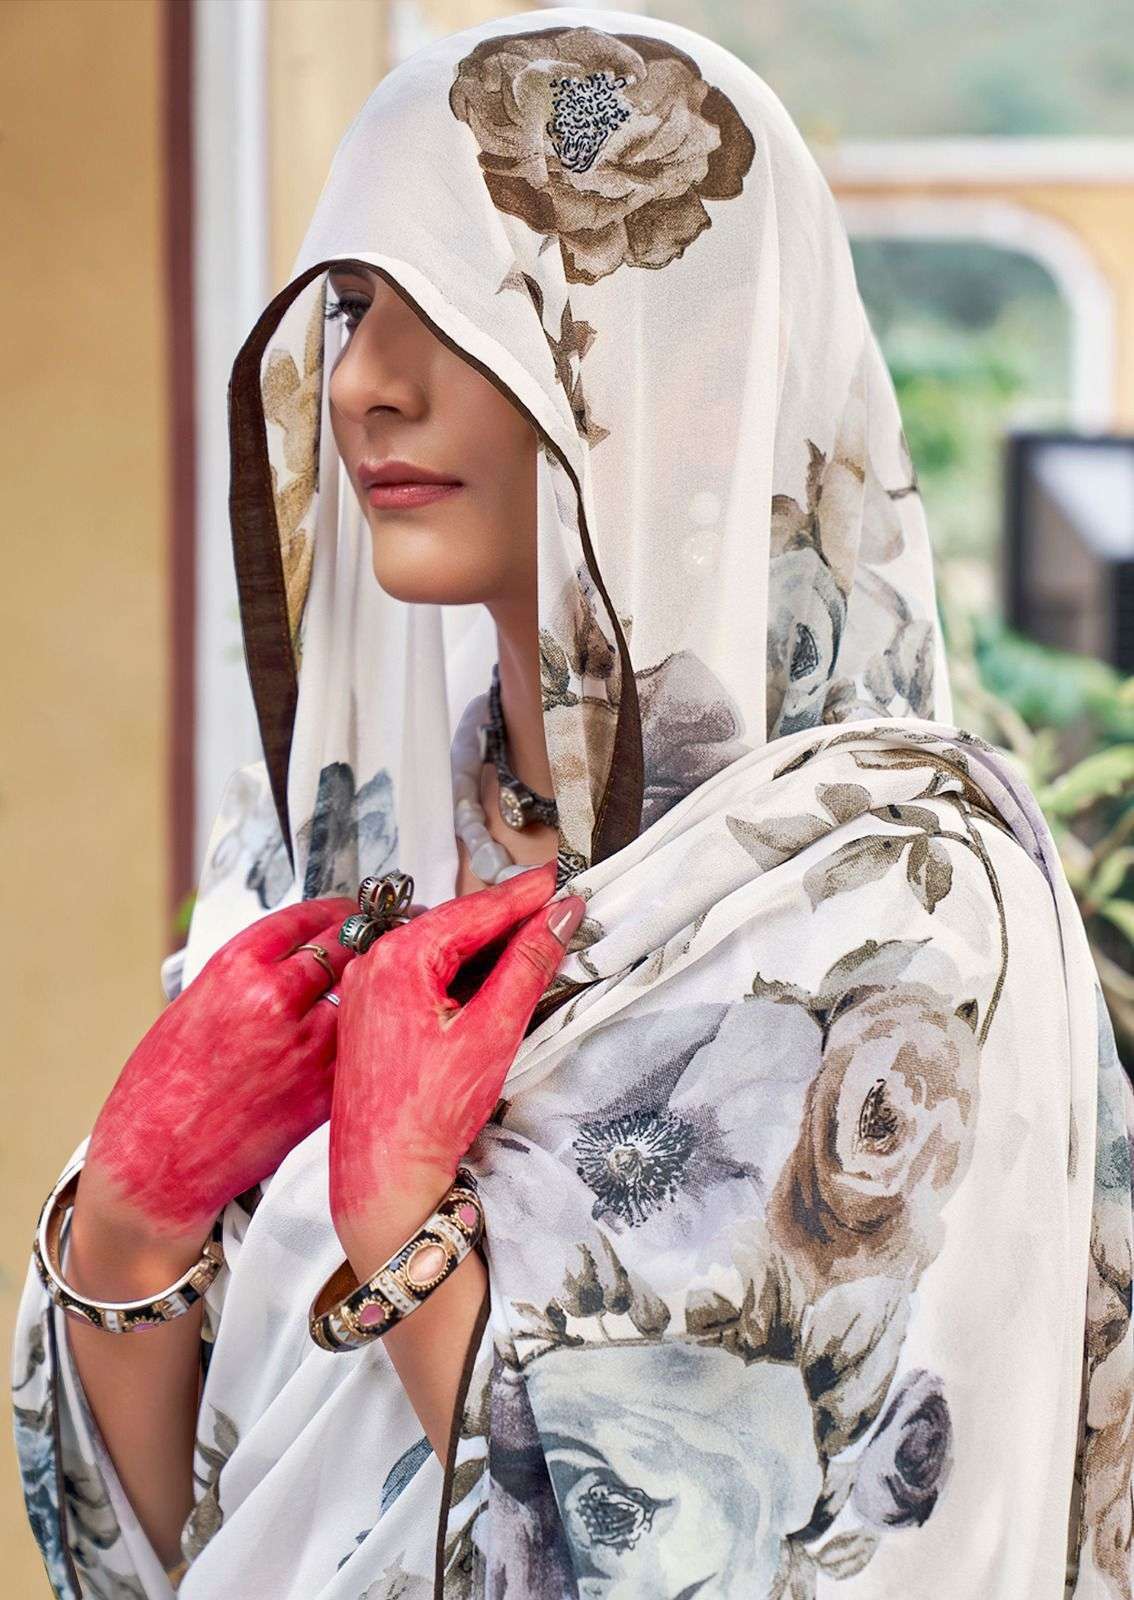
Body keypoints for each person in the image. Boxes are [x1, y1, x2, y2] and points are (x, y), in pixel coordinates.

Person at [11, 7, 1132, 1598]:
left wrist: (399, 1217)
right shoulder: (330, 858)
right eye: (353, 309)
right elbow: (157, 1555)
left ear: (688, 369)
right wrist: (132, 1220)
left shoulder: (908, 911)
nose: (363, 388)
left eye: (464, 312)